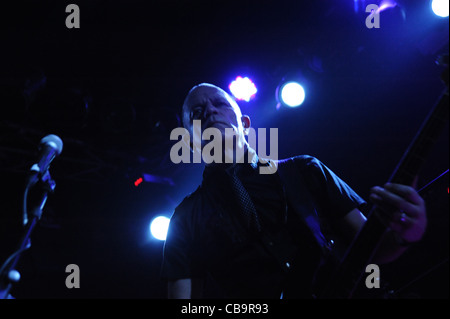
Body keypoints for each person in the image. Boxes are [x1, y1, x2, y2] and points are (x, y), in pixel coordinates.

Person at [161, 83, 427, 299]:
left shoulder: (303, 170)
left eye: (219, 103)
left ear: (244, 122)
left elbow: (374, 249)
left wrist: (408, 233)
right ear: (190, 143)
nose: (209, 111)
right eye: (196, 113)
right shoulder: (185, 219)